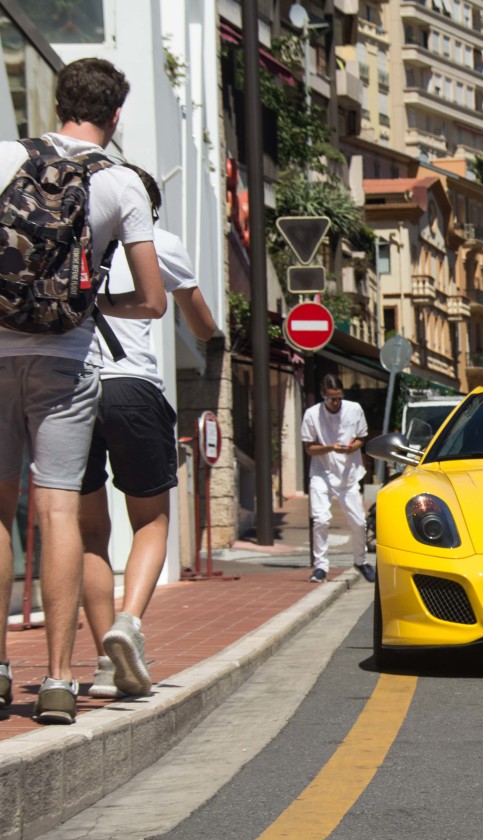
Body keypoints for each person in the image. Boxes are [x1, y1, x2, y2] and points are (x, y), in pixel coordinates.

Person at [0, 58, 167, 724]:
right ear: (115, 115)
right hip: (67, 362)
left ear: (58, 100)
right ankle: (61, 681)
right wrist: (91, 303)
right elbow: (153, 299)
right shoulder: (121, 182)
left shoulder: (9, 155)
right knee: (58, 513)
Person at [79, 164, 217, 699]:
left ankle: (102, 663)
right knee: (151, 521)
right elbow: (201, 322)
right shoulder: (160, 242)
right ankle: (128, 622)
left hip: (72, 387)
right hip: (133, 388)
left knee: (91, 532)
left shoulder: (76, 242)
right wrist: (208, 331)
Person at [301, 374, 372, 584]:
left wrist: (352, 447)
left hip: (348, 474)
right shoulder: (312, 414)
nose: (336, 402)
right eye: (331, 398)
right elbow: (309, 448)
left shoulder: (354, 409)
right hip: (322, 473)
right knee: (321, 520)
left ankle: (361, 561)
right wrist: (330, 447)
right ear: (323, 396)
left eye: (339, 398)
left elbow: (361, 437)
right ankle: (320, 566)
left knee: (358, 522)